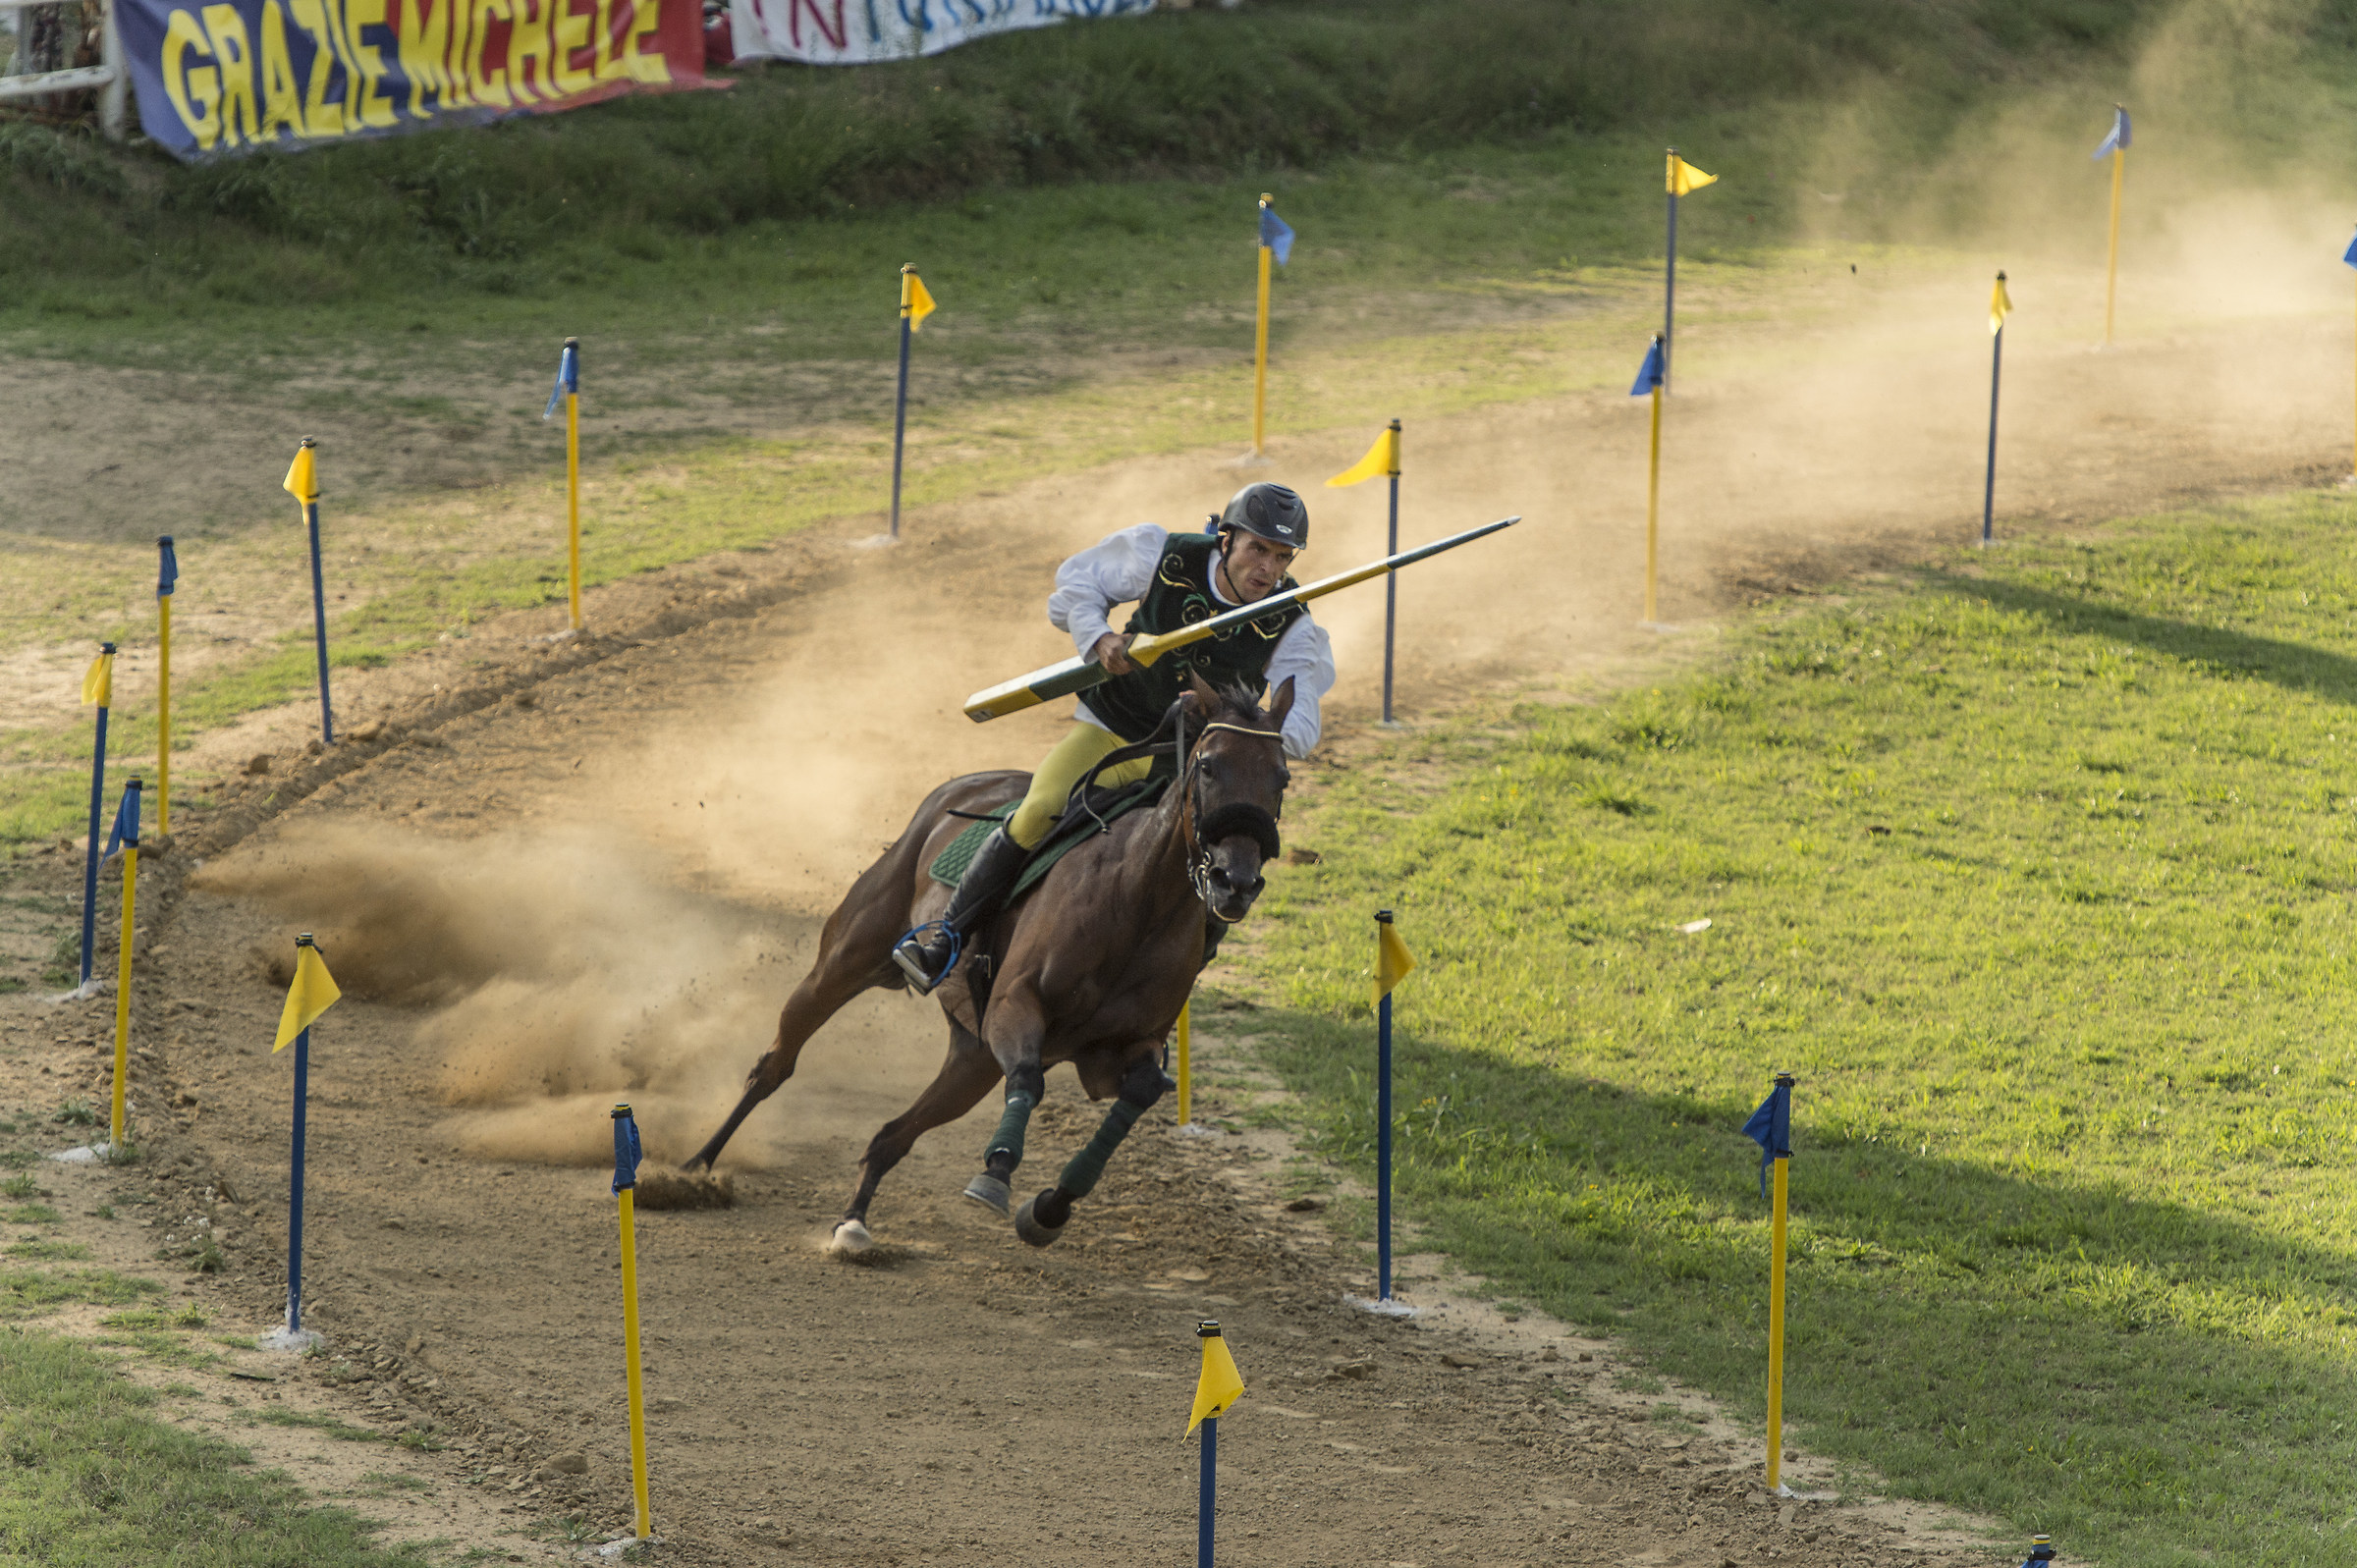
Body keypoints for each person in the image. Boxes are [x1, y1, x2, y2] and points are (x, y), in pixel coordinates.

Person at [893, 481, 1336, 994]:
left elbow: (1301, 728)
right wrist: (1098, 638)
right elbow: (1072, 591)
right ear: (1226, 539)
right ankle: (945, 940)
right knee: (1041, 808)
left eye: (1282, 557)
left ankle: (1160, 1003)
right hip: (1111, 733)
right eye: (1257, 548)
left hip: (1192, 772)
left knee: (1225, 866)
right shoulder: (1162, 555)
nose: (1267, 569)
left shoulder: (1293, 624)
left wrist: (1236, 716)